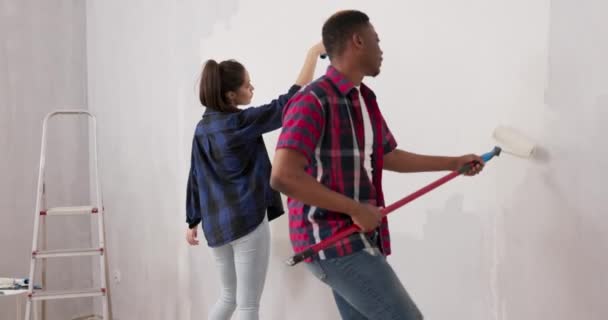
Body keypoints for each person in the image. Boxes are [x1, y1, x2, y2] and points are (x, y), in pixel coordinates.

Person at [270, 10, 484, 320]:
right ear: (357, 41)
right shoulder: (312, 101)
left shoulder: (364, 99)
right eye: (376, 41)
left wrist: (453, 163)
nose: (381, 50)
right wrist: (355, 209)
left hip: (356, 235)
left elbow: (388, 156)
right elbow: (283, 177)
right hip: (330, 239)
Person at [186, 42, 326, 320]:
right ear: (230, 94)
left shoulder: (202, 128)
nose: (252, 88)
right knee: (248, 305)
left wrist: (193, 220)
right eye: (248, 85)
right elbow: (290, 102)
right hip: (247, 221)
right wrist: (312, 54)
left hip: (215, 227)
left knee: (228, 298)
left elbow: (195, 174)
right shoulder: (240, 122)